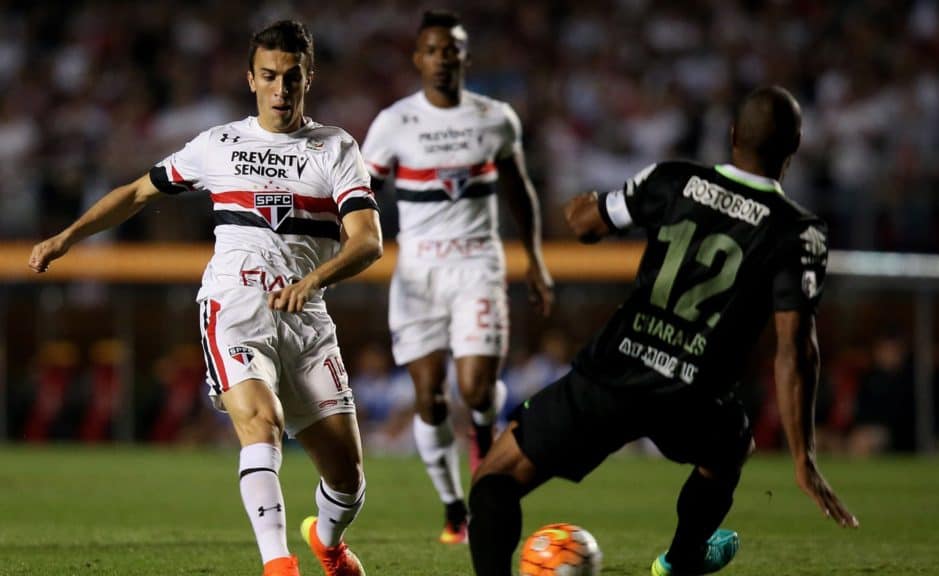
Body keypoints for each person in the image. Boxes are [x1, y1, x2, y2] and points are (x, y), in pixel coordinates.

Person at [29, 20, 379, 576]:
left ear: (308, 77)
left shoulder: (335, 149)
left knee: (348, 478)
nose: (281, 89)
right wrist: (68, 237)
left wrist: (313, 281)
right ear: (251, 79)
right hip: (234, 303)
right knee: (260, 422)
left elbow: (368, 242)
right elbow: (139, 192)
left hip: (307, 315)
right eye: (269, 76)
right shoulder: (218, 144)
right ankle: (278, 564)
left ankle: (328, 544)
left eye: (292, 77)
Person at [467, 85, 859, 576]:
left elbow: (586, 223)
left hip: (614, 371)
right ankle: (681, 559)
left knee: (494, 481)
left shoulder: (674, 180)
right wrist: (803, 456)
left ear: (732, 134)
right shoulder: (799, 232)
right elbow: (797, 349)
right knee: (729, 446)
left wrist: (582, 206)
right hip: (692, 394)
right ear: (794, 146)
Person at [360, 10, 553, 544]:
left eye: (452, 49)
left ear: (465, 56)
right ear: (418, 58)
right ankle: (452, 507)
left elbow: (519, 190)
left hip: (477, 265)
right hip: (417, 272)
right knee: (430, 400)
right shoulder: (393, 123)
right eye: (432, 50)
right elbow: (361, 195)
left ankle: (485, 437)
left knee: (473, 387)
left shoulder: (496, 118)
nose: (443, 58)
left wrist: (535, 259)